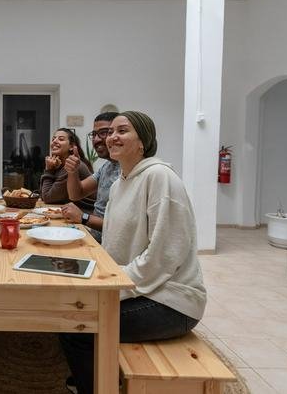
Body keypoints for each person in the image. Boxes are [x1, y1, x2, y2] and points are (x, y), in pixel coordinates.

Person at [59, 111, 206, 394]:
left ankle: (95, 386)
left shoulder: (160, 177)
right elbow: (115, 245)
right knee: (71, 304)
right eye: (110, 131)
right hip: (138, 287)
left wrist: (112, 286)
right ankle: (96, 375)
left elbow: (163, 257)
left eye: (122, 131)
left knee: (74, 324)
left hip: (171, 300)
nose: (112, 137)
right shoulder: (120, 183)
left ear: (143, 142)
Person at [61, 112, 120, 242]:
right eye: (94, 134)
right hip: (96, 241)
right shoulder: (107, 166)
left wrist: (84, 217)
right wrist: (72, 171)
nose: (96, 139)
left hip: (111, 248)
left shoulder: (129, 170)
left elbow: (122, 228)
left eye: (103, 133)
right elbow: (76, 194)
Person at [40, 128, 95, 213]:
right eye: (53, 139)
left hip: (86, 218)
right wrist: (52, 169)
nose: (54, 141)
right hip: (73, 214)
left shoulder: (71, 165)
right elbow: (44, 195)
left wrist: (48, 170)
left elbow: (48, 198)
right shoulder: (59, 165)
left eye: (61, 139)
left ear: (71, 147)